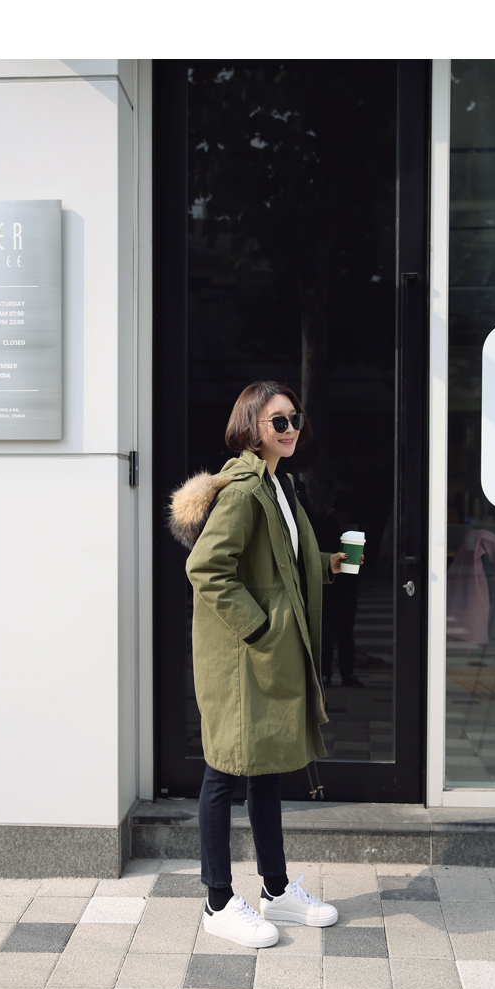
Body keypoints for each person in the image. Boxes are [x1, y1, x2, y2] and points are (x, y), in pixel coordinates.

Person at [168, 380, 358, 948]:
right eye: (279, 421)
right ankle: (217, 901)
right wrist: (259, 627)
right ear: (252, 427)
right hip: (241, 661)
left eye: (295, 418)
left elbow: (283, 560)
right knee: (223, 774)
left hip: (262, 660)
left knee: (267, 772)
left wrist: (327, 563)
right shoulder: (244, 491)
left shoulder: (280, 486)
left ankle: (275, 890)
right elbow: (206, 569)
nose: (291, 428)